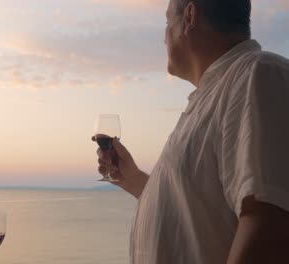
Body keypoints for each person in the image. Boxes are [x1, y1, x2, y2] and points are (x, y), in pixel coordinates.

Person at [95, 0, 289, 263]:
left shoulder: (257, 74)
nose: (164, 38)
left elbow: (268, 220)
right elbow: (194, 209)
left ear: (189, 16)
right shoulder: (212, 97)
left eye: (167, 22)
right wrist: (134, 179)